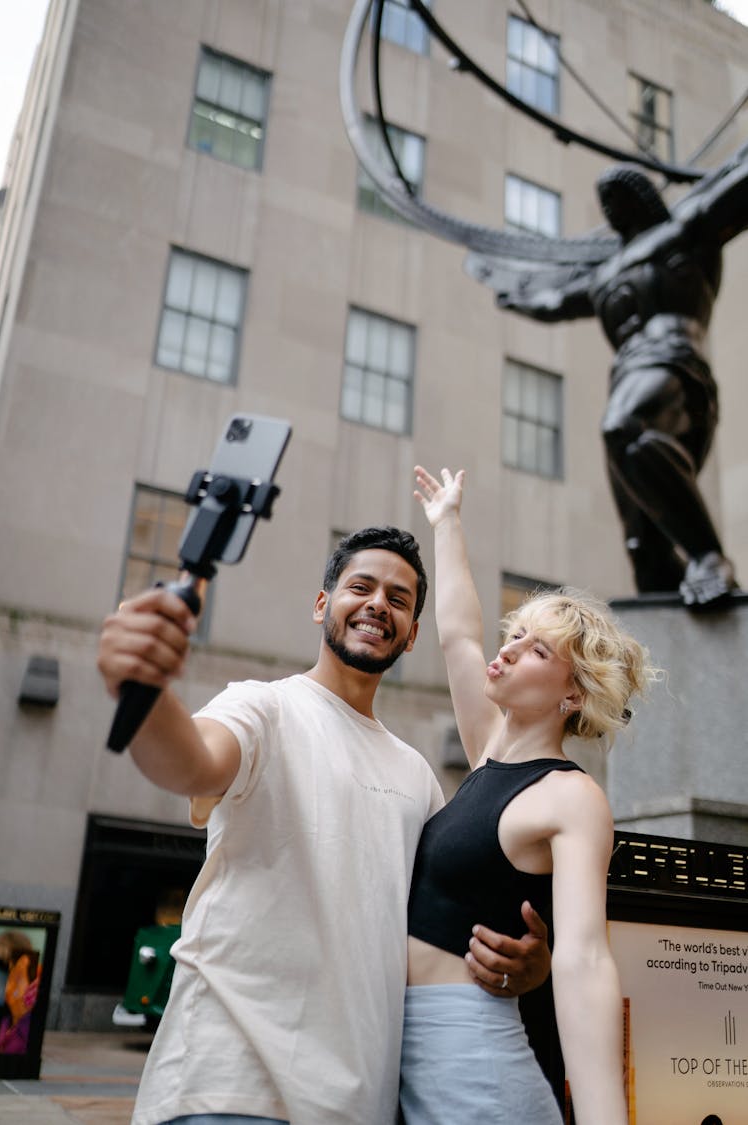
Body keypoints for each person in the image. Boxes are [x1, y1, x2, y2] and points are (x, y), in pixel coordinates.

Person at [97, 525, 552, 1125]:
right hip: (230, 1086)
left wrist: (530, 967)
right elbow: (190, 761)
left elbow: (440, 928)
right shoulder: (264, 706)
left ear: (413, 634)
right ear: (322, 605)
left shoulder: (418, 776)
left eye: (398, 599)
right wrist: (146, 692)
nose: (376, 605)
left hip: (359, 1103)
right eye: (360, 586)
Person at [399, 465, 656, 1124]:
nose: (508, 650)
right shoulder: (487, 747)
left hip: (472, 1060)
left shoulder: (571, 796)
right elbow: (458, 632)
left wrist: (604, 1119)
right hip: (405, 1045)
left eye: (537, 648)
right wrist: (447, 521)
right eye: (514, 635)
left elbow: (584, 958)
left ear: (573, 692)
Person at [498, 155, 748, 607]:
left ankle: (710, 557)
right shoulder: (605, 275)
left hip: (675, 372)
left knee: (623, 426)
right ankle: (678, 654)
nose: (614, 206)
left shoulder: (688, 232)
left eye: (623, 195)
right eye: (607, 202)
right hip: (631, 376)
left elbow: (737, 195)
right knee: (644, 549)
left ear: (645, 197)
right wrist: (511, 292)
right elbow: (553, 301)